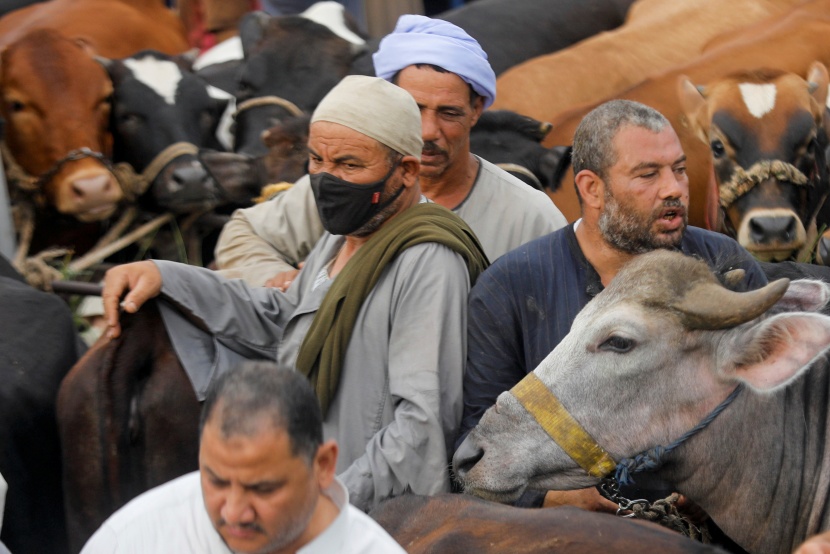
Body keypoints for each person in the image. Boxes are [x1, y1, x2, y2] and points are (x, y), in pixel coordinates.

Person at [101, 75, 489, 512]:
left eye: (349, 165)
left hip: (365, 514)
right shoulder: (346, 233)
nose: (327, 179)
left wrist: (327, 502)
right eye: (317, 160)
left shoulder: (428, 261)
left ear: (406, 170)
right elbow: (287, 320)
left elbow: (422, 426)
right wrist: (167, 276)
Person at [456, 99, 769, 510]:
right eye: (648, 174)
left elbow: (774, 406)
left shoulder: (727, 265)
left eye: (678, 168)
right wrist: (549, 501)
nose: (674, 188)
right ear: (592, 188)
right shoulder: (511, 286)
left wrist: (725, 483)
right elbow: (473, 445)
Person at [214, 14, 566, 288]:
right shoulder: (347, 184)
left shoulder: (529, 216)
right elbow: (244, 233)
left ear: (476, 111)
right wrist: (284, 280)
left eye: (449, 113)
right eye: (413, 108)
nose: (428, 131)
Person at [80, 361, 407, 553]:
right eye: (216, 481)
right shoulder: (132, 540)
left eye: (262, 489)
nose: (234, 512)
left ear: (322, 466)